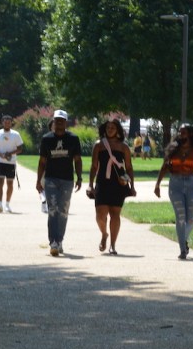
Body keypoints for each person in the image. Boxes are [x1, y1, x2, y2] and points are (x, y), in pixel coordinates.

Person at [154, 123, 193, 260]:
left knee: (191, 218)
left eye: (183, 132)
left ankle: (183, 240)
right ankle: (183, 250)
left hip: (191, 183)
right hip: (175, 184)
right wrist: (157, 184)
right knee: (180, 216)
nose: (180, 134)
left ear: (190, 134)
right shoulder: (173, 149)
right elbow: (164, 167)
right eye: (179, 132)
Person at [36, 109, 83, 256]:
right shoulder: (47, 139)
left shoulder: (73, 139)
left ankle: (60, 239)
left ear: (66, 122)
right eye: (56, 120)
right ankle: (53, 242)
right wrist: (39, 180)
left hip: (67, 179)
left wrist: (79, 177)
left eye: (62, 120)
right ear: (53, 122)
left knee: (63, 211)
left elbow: (77, 159)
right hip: (51, 179)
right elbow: (42, 161)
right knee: (52, 210)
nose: (59, 123)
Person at [87, 119, 136, 255]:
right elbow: (94, 166)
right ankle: (104, 234)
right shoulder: (99, 145)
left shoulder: (124, 147)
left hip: (118, 184)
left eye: (113, 127)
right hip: (102, 182)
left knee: (115, 214)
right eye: (108, 127)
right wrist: (91, 185)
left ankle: (113, 245)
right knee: (100, 215)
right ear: (104, 129)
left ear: (118, 130)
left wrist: (132, 186)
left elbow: (129, 167)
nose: (110, 129)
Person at [0, 115, 24, 213]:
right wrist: (0, 154)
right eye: (5, 122)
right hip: (0, 162)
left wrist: (10, 153)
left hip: (11, 162)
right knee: (0, 182)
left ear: (11, 123)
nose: (7, 124)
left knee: (10, 184)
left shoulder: (16, 134)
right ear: (2, 123)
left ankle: (7, 204)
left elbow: (20, 148)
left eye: (9, 122)